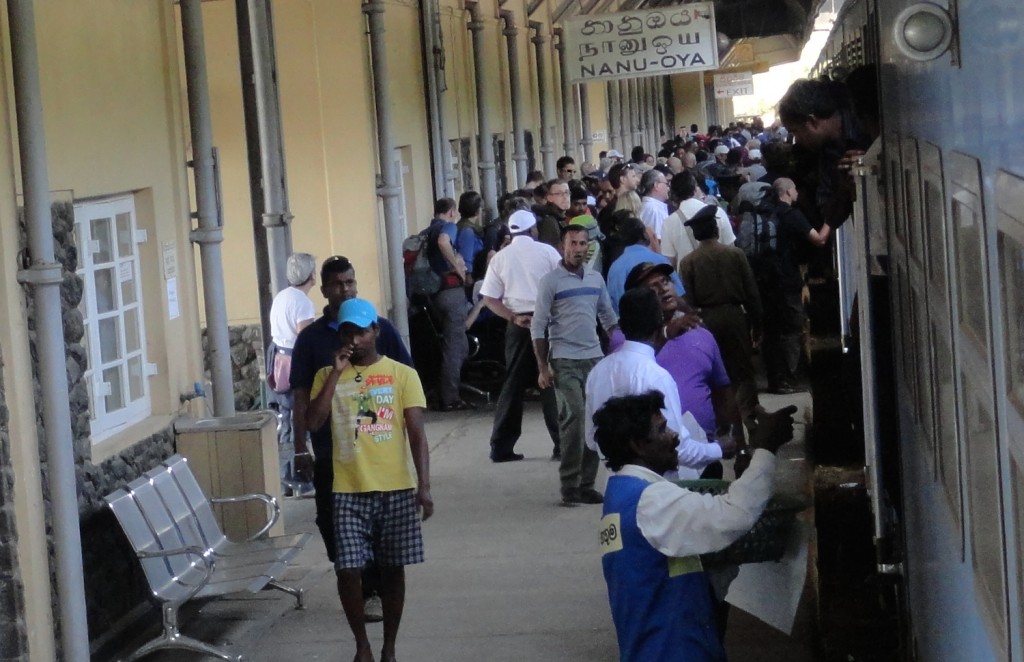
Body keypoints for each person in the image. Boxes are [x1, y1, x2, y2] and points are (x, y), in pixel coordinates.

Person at [595, 391, 797, 662]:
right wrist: (766, 450)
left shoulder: (620, 496)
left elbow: (675, 565)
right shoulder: (651, 501)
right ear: (638, 445)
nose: (675, 436)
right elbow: (734, 514)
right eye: (662, 429)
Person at [306, 298, 432, 662]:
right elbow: (313, 422)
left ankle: (389, 647)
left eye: (361, 331)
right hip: (348, 489)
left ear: (376, 331)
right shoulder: (326, 375)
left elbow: (417, 435)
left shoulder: (401, 374)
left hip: (395, 486)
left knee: (393, 569)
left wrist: (423, 487)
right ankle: (361, 645)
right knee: (348, 568)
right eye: (348, 332)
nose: (355, 339)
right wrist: (335, 373)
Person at [290, 255, 413, 624]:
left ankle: (371, 588)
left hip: (376, 452)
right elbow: (300, 398)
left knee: (375, 526)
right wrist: (300, 448)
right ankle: (353, 573)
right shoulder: (311, 339)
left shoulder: (381, 328)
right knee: (330, 523)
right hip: (330, 453)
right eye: (337, 284)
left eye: (350, 282)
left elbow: (406, 379)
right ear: (323, 290)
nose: (344, 289)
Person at [585, 288, 733, 480]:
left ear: (621, 325)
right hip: (656, 486)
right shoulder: (656, 376)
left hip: (615, 483)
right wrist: (719, 448)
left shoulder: (598, 372)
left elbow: (591, 440)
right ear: (659, 323)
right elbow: (677, 448)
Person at [625, 262, 749, 478]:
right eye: (652, 287)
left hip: (705, 455)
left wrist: (741, 447)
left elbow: (723, 394)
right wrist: (665, 333)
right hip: (655, 465)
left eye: (665, 282)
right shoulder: (629, 343)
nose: (663, 289)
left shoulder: (701, 334)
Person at [532, 224, 619, 504]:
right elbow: (538, 326)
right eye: (574, 243)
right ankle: (569, 483)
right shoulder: (551, 282)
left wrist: (622, 348)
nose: (579, 249)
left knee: (596, 418)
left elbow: (607, 318)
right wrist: (543, 368)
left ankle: (587, 484)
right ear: (563, 246)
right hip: (564, 359)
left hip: (594, 358)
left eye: (583, 244)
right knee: (576, 417)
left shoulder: (595, 279)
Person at [479, 209, 562, 462]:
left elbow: (489, 298)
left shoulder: (501, 258)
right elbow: (562, 284)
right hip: (545, 320)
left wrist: (513, 317)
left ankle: (501, 447)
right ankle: (562, 443)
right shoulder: (548, 252)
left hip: (517, 323)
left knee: (512, 383)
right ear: (533, 230)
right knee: (550, 381)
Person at [678, 206, 763, 430]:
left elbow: (687, 300)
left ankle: (723, 425)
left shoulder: (688, 262)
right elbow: (752, 293)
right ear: (716, 229)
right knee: (742, 371)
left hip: (705, 321)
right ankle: (749, 418)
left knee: (714, 373)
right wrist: (757, 323)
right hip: (735, 316)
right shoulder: (735, 255)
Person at [760, 177, 831, 393]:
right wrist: (831, 220)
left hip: (767, 280)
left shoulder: (766, 214)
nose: (797, 192)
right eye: (795, 188)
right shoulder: (793, 215)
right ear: (788, 192)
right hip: (788, 280)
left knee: (772, 330)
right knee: (791, 329)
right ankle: (788, 378)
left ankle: (774, 377)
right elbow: (818, 239)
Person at [267, 252, 317, 496]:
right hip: (294, 363)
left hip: (278, 363)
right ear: (311, 276)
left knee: (286, 421)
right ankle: (296, 478)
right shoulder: (303, 303)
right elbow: (306, 338)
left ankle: (288, 478)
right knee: (297, 421)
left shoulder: (281, 297)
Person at [427, 197, 473, 411]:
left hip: (434, 294)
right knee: (455, 346)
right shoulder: (448, 227)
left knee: (456, 344)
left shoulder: (427, 231)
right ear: (452, 212)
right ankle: (450, 398)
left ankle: (445, 390)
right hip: (450, 292)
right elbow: (444, 242)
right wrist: (458, 269)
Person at [605, 215, 684, 314]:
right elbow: (679, 293)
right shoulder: (660, 259)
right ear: (645, 234)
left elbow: (615, 305)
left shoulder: (616, 267)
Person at [660, 171, 737, 271]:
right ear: (695, 189)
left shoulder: (668, 223)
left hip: (689, 281)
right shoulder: (717, 212)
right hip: (721, 276)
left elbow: (670, 262)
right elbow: (731, 247)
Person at [533, 178, 571, 248]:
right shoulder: (549, 221)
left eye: (567, 192)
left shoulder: (560, 217)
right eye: (559, 194)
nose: (565, 197)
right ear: (549, 198)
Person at [638, 168, 670, 250]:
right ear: (656, 185)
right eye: (666, 184)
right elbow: (658, 242)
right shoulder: (654, 210)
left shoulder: (648, 206)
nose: (668, 188)